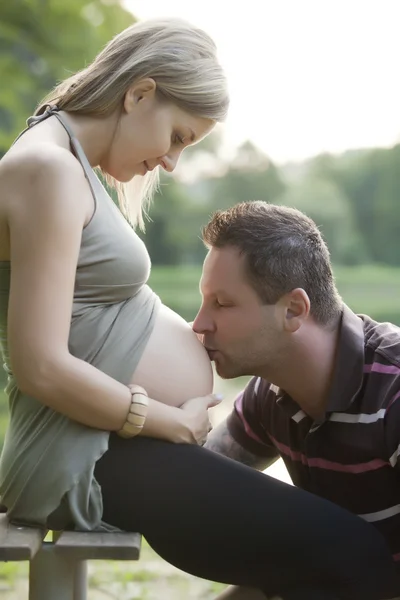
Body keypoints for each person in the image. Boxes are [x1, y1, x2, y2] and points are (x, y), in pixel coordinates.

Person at [0, 17, 398, 600]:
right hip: (88, 452)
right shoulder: (49, 169)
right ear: (139, 93)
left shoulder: (60, 162)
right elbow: (39, 365)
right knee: (351, 554)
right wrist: (167, 420)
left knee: (334, 561)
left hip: (106, 446)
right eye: (180, 136)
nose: (172, 163)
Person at [189, 200, 400, 600]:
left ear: (293, 310)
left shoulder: (393, 393)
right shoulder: (270, 391)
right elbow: (199, 487)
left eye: (223, 303)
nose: (199, 324)